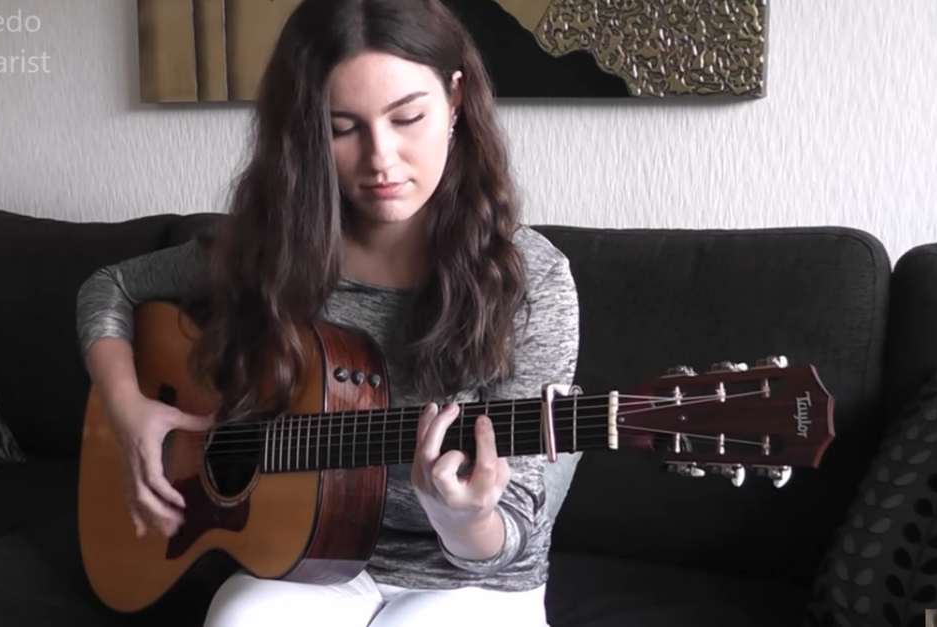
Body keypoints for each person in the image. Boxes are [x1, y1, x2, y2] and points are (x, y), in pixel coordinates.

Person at [75, 0, 581, 624]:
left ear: (455, 98)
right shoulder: (270, 246)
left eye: (408, 118)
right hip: (306, 559)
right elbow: (109, 287)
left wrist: (465, 517)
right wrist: (127, 410)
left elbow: (515, 529)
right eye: (342, 128)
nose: (381, 158)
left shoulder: (531, 277)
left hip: (470, 580)